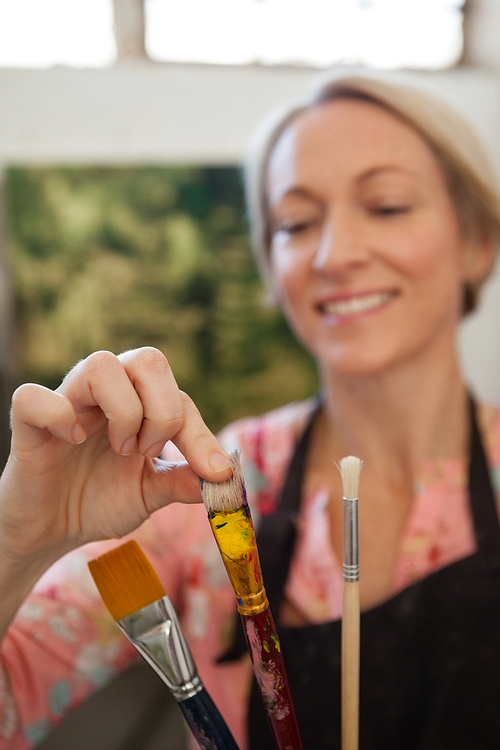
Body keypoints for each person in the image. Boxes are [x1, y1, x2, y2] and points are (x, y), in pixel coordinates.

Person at [1, 69, 500, 750]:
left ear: (478, 241)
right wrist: (20, 538)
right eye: (296, 223)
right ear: (272, 267)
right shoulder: (206, 490)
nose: (335, 254)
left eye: (386, 206)